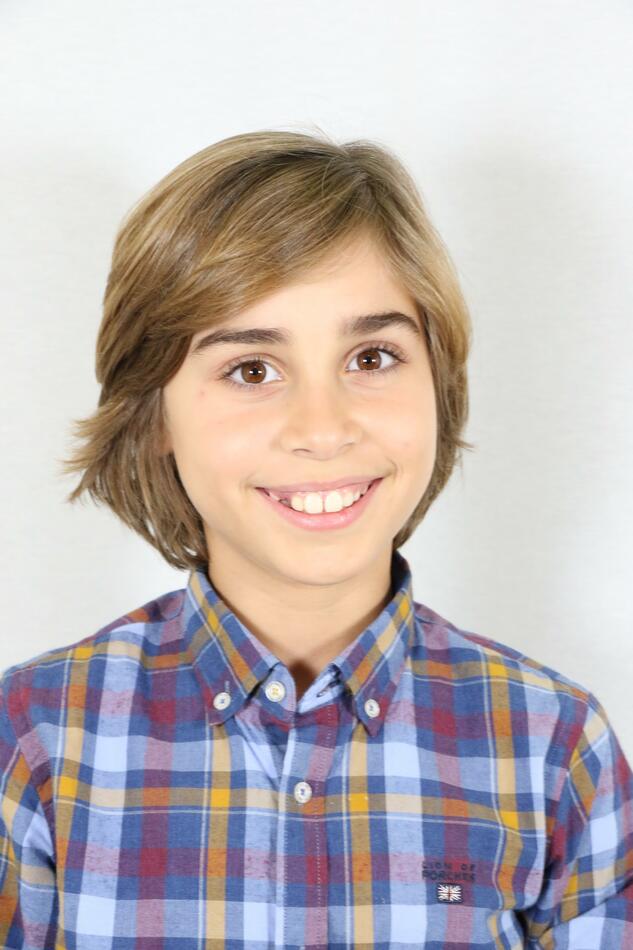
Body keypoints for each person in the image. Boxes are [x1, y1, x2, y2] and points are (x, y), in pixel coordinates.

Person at [1, 130, 631, 949]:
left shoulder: (554, 747)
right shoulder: (35, 740)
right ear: (154, 413)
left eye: (371, 357)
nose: (323, 428)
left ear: (438, 385)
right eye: (251, 370)